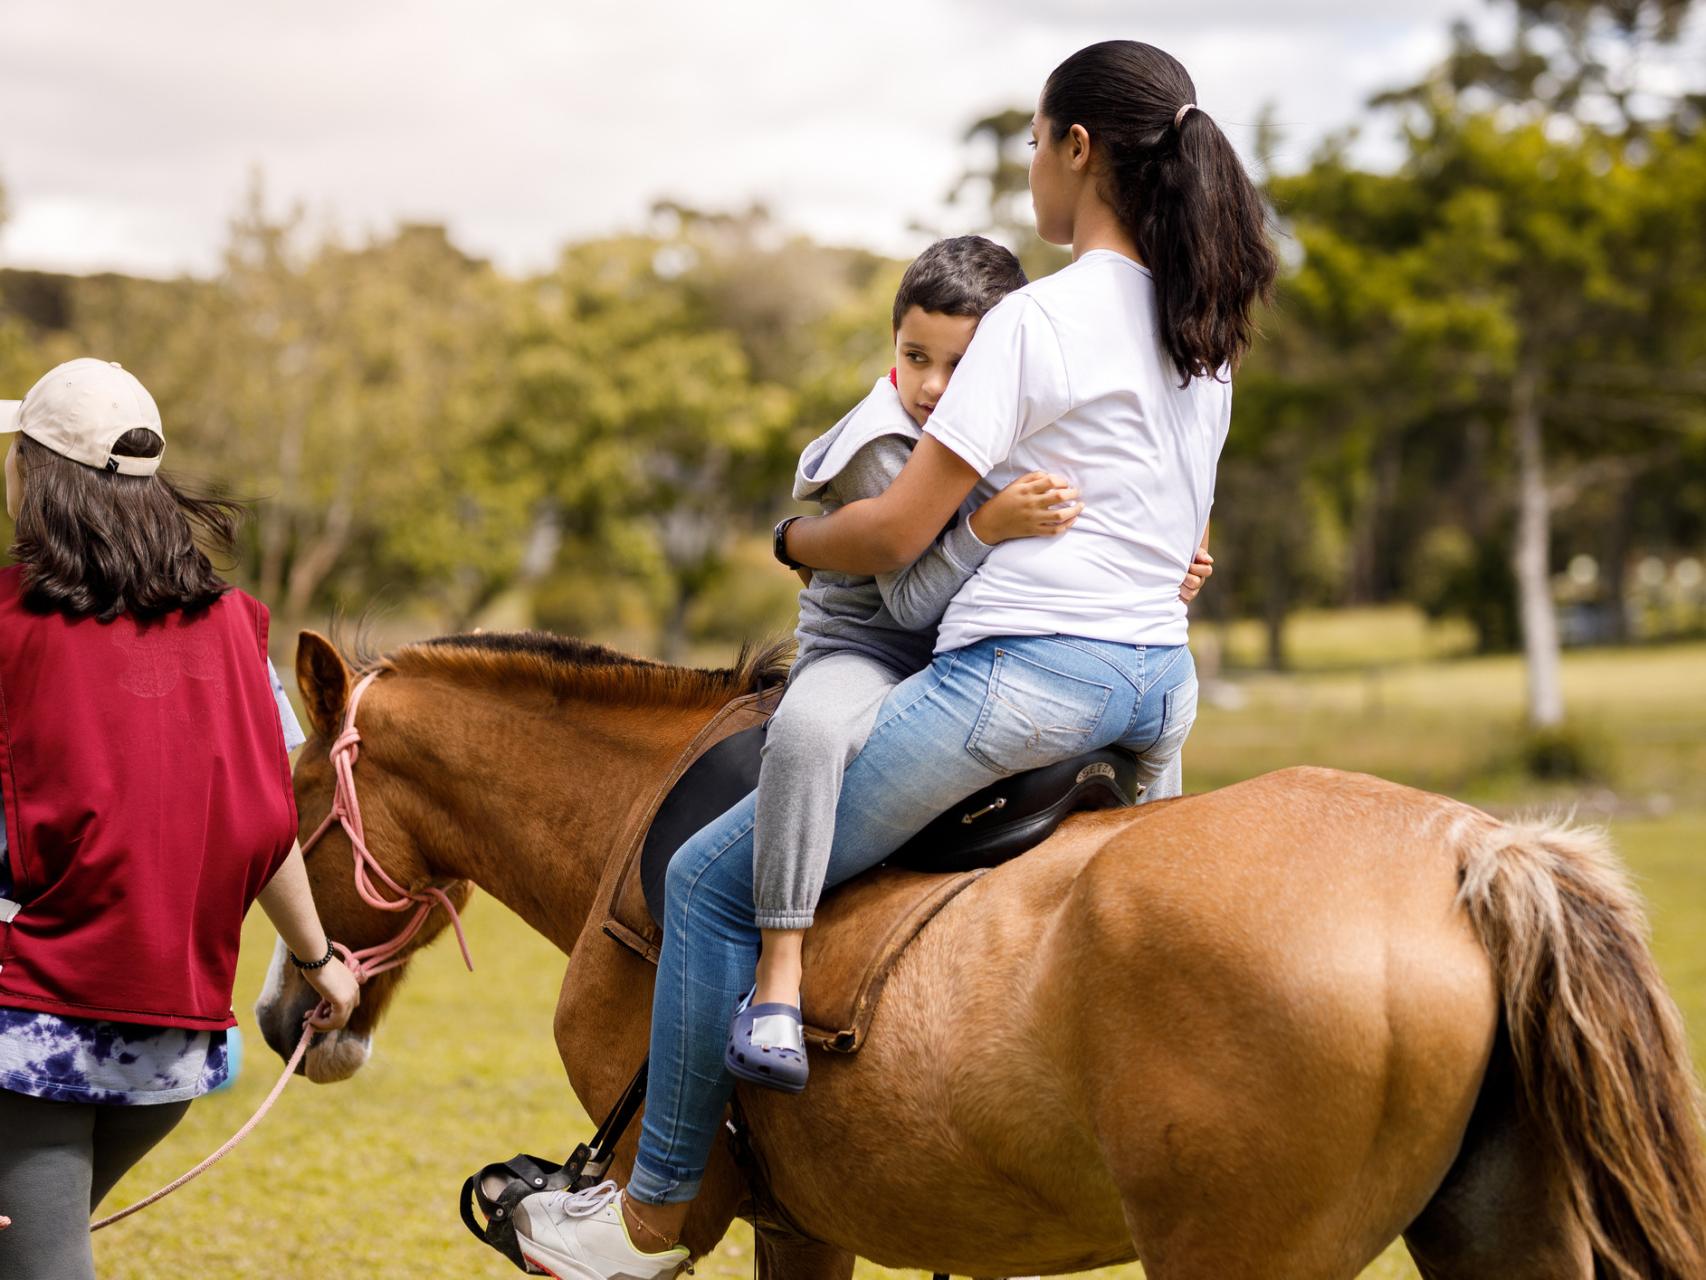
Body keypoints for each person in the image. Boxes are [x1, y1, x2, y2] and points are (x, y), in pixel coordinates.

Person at [514, 39, 1272, 1279]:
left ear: (1078, 148)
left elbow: (896, 530)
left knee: (707, 880)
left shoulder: (1037, 318)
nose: (1033, 165)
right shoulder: (1205, 326)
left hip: (1031, 681)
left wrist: (791, 536)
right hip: (1158, 685)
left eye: (1037, 141)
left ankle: (645, 1218)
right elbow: (1178, 534)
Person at [0, 358, 359, 1280]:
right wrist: (318, 961)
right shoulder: (239, 629)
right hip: (170, 1043)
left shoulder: (8, 622)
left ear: (36, 480)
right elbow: (263, 816)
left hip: (30, 1023)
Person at [732, 234, 1084, 1093]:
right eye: (914, 356)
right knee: (810, 733)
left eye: (959, 365)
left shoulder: (1020, 422)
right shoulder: (881, 443)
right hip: (871, 647)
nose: (930, 386)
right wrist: (988, 528)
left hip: (971, 650)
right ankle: (778, 973)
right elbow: (907, 604)